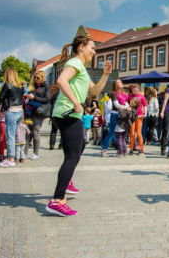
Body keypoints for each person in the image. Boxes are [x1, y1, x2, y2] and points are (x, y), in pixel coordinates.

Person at [46, 36, 112, 217]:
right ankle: (57, 200)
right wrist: (75, 102)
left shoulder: (81, 68)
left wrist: (106, 75)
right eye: (92, 48)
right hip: (68, 113)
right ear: (81, 47)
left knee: (79, 147)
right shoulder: (75, 62)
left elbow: (95, 91)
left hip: (67, 114)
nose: (94, 52)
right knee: (72, 156)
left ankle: (66, 182)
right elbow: (61, 81)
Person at [0, 68, 24, 167]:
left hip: (11, 111)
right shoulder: (20, 86)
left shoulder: (7, 85)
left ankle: (11, 159)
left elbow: (0, 97)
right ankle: (12, 158)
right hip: (20, 111)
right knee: (13, 135)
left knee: (10, 136)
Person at [24, 70, 51, 160]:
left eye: (38, 78)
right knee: (27, 133)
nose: (36, 79)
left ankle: (35, 153)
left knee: (36, 132)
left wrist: (34, 97)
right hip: (28, 112)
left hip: (38, 112)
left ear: (42, 78)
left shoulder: (46, 87)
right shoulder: (31, 86)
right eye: (35, 78)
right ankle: (25, 153)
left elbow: (47, 99)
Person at [101, 80, 128, 157]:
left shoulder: (124, 94)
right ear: (115, 85)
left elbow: (126, 103)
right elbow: (116, 104)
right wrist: (127, 107)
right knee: (112, 132)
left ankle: (120, 150)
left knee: (121, 134)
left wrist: (130, 106)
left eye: (121, 82)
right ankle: (104, 149)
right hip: (115, 114)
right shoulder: (113, 93)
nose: (121, 83)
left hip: (122, 115)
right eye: (119, 82)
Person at [128, 84, 147, 155]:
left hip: (139, 116)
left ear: (139, 90)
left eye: (136, 90)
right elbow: (127, 105)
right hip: (132, 116)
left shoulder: (141, 97)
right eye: (133, 90)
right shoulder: (130, 96)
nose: (135, 92)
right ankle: (131, 148)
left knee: (139, 132)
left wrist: (145, 113)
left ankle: (141, 149)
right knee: (132, 133)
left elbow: (144, 105)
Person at [49, 84, 62, 150]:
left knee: (54, 130)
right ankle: (61, 145)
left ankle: (52, 144)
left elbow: (51, 101)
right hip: (62, 113)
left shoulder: (56, 93)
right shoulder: (65, 94)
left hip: (54, 113)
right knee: (62, 130)